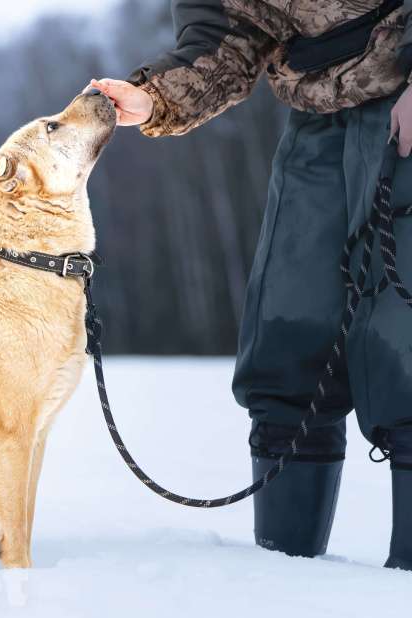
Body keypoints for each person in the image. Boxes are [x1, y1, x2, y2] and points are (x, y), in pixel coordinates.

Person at [88, 0, 412, 570]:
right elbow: (226, 33)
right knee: (287, 341)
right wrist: (154, 96)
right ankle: (281, 583)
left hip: (404, 92)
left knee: (404, 349)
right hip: (317, 119)